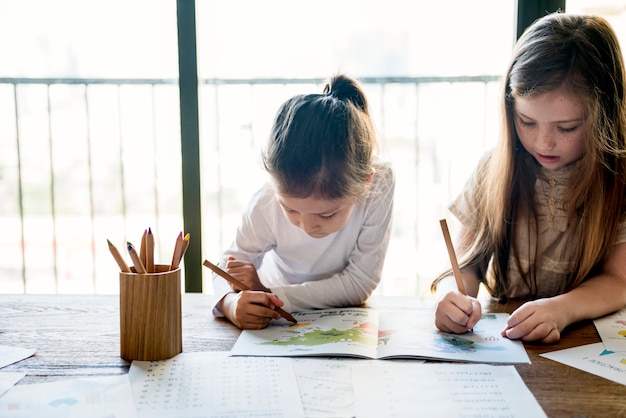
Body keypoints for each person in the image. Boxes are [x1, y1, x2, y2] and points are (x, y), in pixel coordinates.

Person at [431, 12, 626, 343]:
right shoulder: (494, 169)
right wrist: (451, 297)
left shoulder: (618, 180)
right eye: (527, 121)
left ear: (604, 115)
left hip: (587, 345)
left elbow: (619, 280)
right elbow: (465, 266)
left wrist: (561, 309)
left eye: (567, 128)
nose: (543, 142)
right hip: (512, 347)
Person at [211, 74, 395, 330]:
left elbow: (359, 283)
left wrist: (269, 293)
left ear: (365, 181)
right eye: (291, 209)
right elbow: (225, 267)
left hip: (327, 316)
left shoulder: (379, 184)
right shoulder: (267, 201)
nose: (307, 226)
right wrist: (230, 305)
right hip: (272, 322)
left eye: (327, 214)